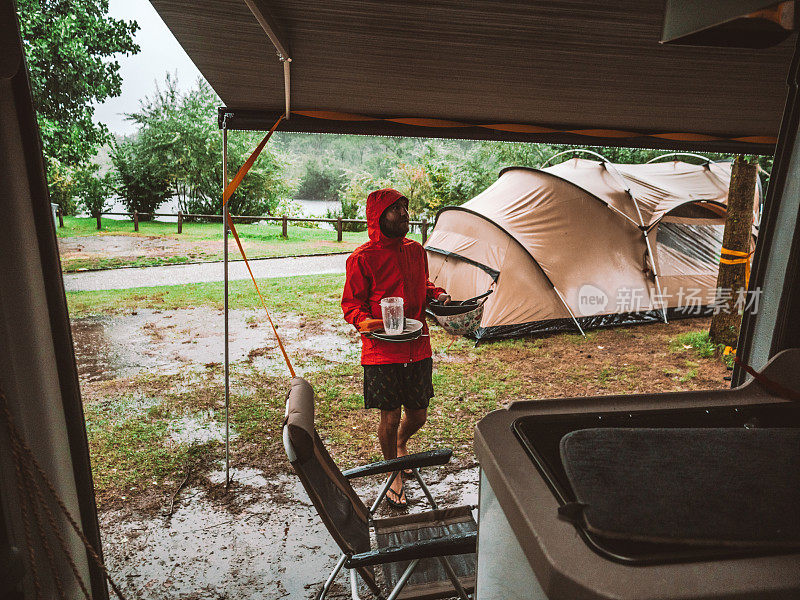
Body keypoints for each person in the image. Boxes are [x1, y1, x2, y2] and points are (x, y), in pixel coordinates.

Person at [342, 188, 450, 508]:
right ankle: (393, 475)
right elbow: (352, 307)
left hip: (418, 346)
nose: (405, 214)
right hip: (382, 351)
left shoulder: (416, 250)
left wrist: (438, 295)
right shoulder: (362, 258)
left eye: (406, 207)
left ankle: (401, 444)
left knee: (418, 414)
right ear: (379, 217)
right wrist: (369, 324)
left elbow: (424, 286)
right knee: (389, 417)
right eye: (396, 209)